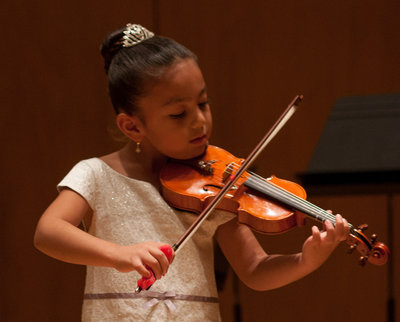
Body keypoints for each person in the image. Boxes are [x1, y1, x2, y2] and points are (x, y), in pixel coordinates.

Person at [34, 23, 350, 321]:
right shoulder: (96, 175)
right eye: (178, 114)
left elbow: (255, 268)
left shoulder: (219, 187)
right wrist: (118, 254)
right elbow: (48, 232)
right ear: (132, 125)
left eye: (204, 103)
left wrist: (306, 260)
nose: (199, 121)